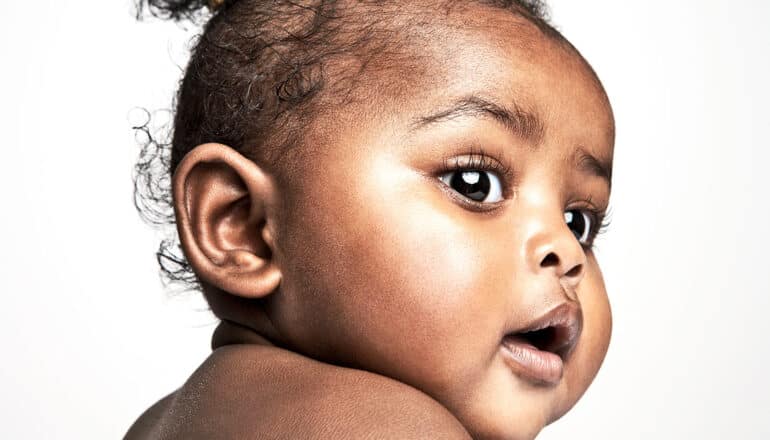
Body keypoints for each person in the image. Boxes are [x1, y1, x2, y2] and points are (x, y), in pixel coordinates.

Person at [125, 0, 615, 438]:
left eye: (578, 221)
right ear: (243, 228)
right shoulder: (393, 427)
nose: (567, 250)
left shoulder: (161, 423)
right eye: (474, 183)